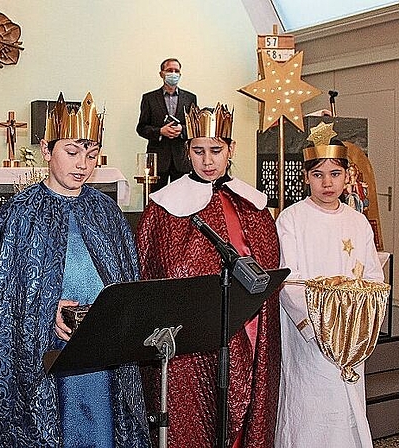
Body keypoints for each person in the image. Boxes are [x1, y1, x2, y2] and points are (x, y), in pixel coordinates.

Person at [0, 92, 150, 448]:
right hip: (49, 360)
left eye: (91, 155)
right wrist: (47, 310)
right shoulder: (20, 213)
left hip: (105, 356)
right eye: (72, 153)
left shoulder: (105, 211)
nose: (83, 165)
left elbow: (128, 282)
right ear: (46, 150)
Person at [136, 104, 281, 447]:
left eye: (216, 150)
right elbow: (154, 271)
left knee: (245, 408)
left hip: (247, 328)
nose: (207, 160)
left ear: (231, 149)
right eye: (198, 151)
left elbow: (268, 270)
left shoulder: (252, 205)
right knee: (194, 417)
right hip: (191, 339)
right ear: (187, 152)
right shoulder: (164, 207)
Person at [275, 130, 384, 447]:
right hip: (310, 336)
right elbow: (289, 281)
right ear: (306, 177)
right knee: (311, 408)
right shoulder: (292, 219)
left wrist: (356, 325)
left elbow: (373, 277)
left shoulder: (357, 221)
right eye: (318, 174)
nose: (327, 183)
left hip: (350, 334)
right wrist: (319, 328)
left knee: (345, 407)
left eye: (335, 174)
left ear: (348, 176)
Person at [136, 58, 197, 192]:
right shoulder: (149, 98)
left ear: (180, 74)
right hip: (158, 159)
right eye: (169, 70)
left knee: (182, 199)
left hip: (181, 158)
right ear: (161, 73)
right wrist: (160, 132)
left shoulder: (190, 98)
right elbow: (141, 128)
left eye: (177, 71)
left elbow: (195, 128)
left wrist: (182, 129)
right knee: (156, 199)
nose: (173, 74)